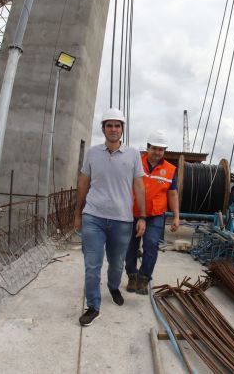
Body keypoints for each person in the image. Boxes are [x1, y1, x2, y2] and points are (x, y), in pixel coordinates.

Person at [74, 108, 147, 327]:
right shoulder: (93, 153)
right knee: (92, 264)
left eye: (117, 125)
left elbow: (139, 186)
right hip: (93, 217)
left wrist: (142, 216)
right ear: (103, 128)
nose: (113, 129)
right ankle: (94, 306)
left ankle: (113, 286)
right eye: (109, 125)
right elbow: (83, 183)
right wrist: (78, 213)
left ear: (122, 129)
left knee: (116, 264)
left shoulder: (133, 154)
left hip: (121, 220)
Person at [124, 130, 180, 294]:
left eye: (161, 149)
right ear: (148, 147)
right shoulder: (135, 162)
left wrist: (176, 216)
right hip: (133, 213)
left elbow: (172, 193)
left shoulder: (170, 170)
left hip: (155, 215)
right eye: (154, 148)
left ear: (164, 151)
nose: (157, 152)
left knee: (151, 244)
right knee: (130, 246)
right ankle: (132, 276)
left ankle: (143, 278)